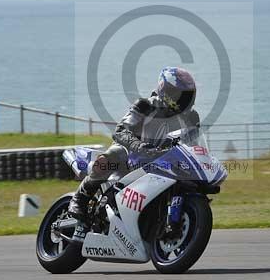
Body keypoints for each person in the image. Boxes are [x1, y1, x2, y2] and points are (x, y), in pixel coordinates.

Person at [68, 66, 200, 221]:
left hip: (163, 159)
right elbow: (121, 131)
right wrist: (139, 146)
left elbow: (192, 146)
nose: (184, 100)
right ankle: (80, 199)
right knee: (112, 155)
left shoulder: (191, 118)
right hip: (133, 153)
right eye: (180, 95)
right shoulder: (145, 105)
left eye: (188, 96)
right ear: (166, 90)